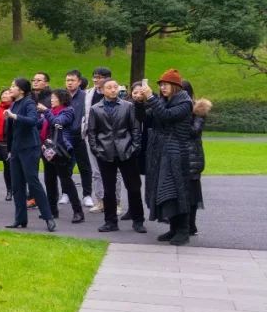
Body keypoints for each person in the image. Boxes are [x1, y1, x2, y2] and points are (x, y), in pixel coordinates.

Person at [137, 69, 194, 245]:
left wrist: (152, 99)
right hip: (161, 151)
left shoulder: (185, 102)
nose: (162, 87)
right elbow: (147, 120)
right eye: (160, 85)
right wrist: (139, 103)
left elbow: (167, 116)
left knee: (177, 190)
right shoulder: (163, 101)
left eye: (165, 84)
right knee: (164, 191)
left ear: (175, 86)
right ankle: (173, 229)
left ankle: (183, 230)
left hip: (177, 151)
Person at [87, 78, 146, 232]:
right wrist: (96, 150)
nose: (113, 90)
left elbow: (135, 128)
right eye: (109, 87)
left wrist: (134, 147)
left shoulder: (128, 106)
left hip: (126, 150)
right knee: (109, 189)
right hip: (105, 152)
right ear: (102, 90)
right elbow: (92, 131)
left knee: (133, 187)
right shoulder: (95, 108)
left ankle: (138, 220)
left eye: (115, 87)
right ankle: (110, 221)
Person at [4, 77, 56, 232]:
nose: (10, 88)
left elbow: (33, 120)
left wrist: (14, 116)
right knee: (17, 185)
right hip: (16, 149)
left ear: (21, 90)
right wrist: (9, 149)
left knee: (33, 183)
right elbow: (12, 130)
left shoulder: (28, 103)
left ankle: (48, 218)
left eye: (13, 86)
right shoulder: (14, 104)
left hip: (29, 148)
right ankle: (20, 219)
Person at [40, 89, 86, 223]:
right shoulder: (50, 112)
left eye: (54, 98)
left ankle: (78, 212)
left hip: (61, 149)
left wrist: (46, 111)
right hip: (48, 149)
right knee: (49, 180)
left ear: (61, 99)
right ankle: (52, 211)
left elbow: (57, 123)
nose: (51, 100)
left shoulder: (68, 111)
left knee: (66, 181)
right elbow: (43, 126)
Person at [83, 66, 112, 213]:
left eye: (99, 77)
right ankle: (100, 201)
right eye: (94, 77)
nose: (95, 80)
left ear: (107, 78)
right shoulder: (89, 94)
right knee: (96, 171)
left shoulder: (113, 93)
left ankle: (115, 202)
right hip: (91, 135)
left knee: (114, 172)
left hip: (109, 137)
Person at [64, 70, 94, 205]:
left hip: (80, 135)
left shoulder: (86, 96)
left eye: (72, 80)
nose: (70, 83)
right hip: (64, 135)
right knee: (65, 166)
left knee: (84, 166)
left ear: (79, 82)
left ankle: (87, 194)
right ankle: (66, 192)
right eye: (68, 80)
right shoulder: (62, 96)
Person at [186, 81, 211, 236]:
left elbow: (194, 131)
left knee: (192, 192)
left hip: (193, 155)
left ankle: (191, 224)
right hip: (182, 154)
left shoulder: (198, 110)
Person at [0, 88, 13, 201]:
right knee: (7, 166)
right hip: (2, 142)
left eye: (8, 93)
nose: (5, 95)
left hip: (15, 140)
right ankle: (9, 190)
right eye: (3, 94)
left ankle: (20, 189)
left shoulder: (15, 108)